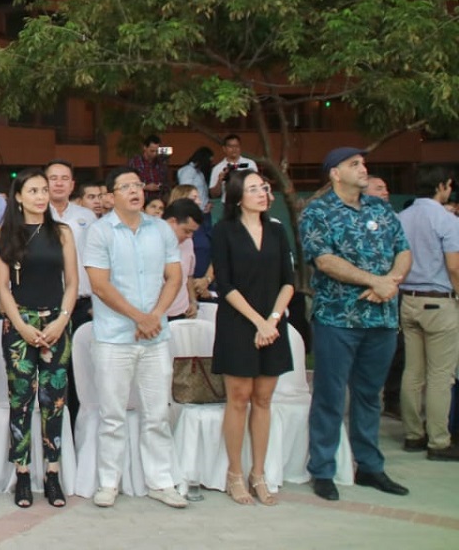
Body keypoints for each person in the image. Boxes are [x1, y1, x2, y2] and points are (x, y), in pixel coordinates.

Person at [298, 147, 412, 501]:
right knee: (331, 397)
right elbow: (325, 260)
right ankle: (323, 470)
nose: (363, 169)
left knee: (369, 396)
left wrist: (390, 281)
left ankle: (370, 467)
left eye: (363, 163)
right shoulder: (318, 212)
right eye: (354, 164)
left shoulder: (380, 207)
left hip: (381, 318)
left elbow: (403, 249)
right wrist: (372, 281)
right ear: (335, 173)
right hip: (337, 319)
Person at [83, 166, 186, 509]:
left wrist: (154, 316)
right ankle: (109, 482)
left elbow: (174, 277)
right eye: (125, 186)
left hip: (155, 336)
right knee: (112, 415)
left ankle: (160, 482)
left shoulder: (161, 230)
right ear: (111, 196)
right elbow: (100, 284)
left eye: (138, 185)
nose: (135, 191)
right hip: (114, 338)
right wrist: (138, 317)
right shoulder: (99, 232)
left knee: (157, 413)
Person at [0, 169, 78, 508]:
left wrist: (61, 320)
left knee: (54, 399)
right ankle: (23, 474)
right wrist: (21, 325)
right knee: (21, 401)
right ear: (18, 197)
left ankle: (53, 474)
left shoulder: (63, 233)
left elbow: (71, 282)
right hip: (19, 324)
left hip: (57, 320)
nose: (41, 196)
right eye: (33, 191)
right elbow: (2, 287)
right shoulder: (5, 234)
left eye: (44, 190)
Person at [211, 171, 295, 505]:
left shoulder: (276, 230)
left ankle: (258, 472)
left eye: (263, 187)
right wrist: (257, 322)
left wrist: (272, 320)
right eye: (253, 189)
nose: (261, 193)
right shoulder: (224, 231)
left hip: (273, 323)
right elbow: (225, 284)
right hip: (238, 322)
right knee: (239, 398)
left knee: (263, 399)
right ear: (236, 196)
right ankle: (234, 472)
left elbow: (288, 280)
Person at [395, 164, 459, 461]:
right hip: (440, 300)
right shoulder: (446, 220)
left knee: (413, 372)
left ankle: (412, 434)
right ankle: (438, 440)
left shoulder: (400, 218)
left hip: (407, 299)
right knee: (440, 376)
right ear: (443, 185)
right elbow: (455, 267)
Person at [43, 160, 98, 426]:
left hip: (82, 305)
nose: (59, 183)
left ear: (72, 184)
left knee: (80, 373)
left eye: (64, 178)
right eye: (53, 178)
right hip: (48, 304)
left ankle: (77, 430)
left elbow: (97, 262)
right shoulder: (36, 214)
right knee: (52, 371)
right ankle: (53, 430)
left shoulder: (87, 216)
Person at [162, 198, 203, 321]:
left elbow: (188, 276)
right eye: (186, 231)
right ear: (172, 222)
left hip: (181, 313)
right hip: (155, 316)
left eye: (192, 232)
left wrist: (193, 301)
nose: (190, 236)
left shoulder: (188, 243)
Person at [209, 135, 257, 199]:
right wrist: (219, 181)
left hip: (248, 202)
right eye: (231, 146)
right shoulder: (217, 168)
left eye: (237, 146)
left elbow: (257, 185)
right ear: (224, 148)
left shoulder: (250, 164)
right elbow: (214, 194)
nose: (234, 149)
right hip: (228, 205)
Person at [128, 135, 169, 202]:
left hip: (158, 200)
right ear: (145, 147)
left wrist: (160, 187)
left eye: (157, 151)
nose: (155, 154)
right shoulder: (135, 162)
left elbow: (166, 183)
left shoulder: (161, 163)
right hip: (140, 200)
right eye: (152, 151)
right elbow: (128, 182)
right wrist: (145, 187)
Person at [177, 146, 214, 212]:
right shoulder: (188, 171)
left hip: (203, 209)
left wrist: (207, 203)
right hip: (195, 211)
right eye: (209, 162)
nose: (210, 164)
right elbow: (186, 192)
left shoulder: (199, 172)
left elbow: (202, 192)